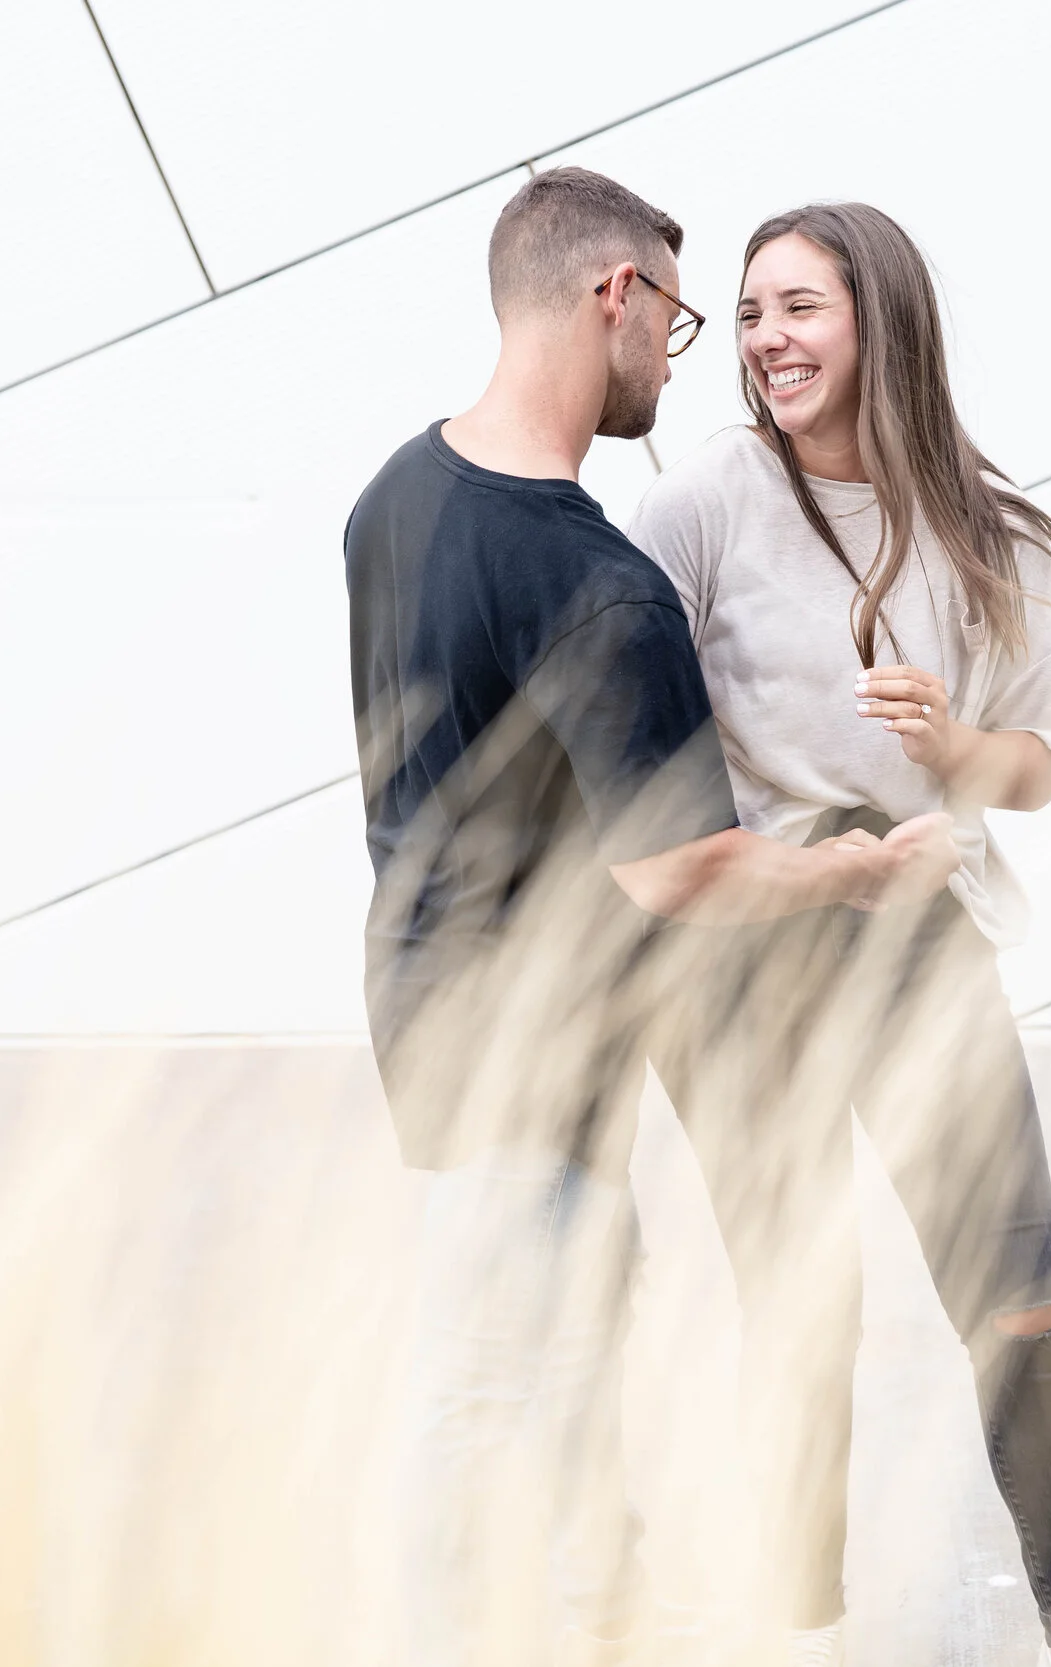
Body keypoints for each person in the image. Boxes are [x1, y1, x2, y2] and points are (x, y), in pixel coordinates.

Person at [343, 168, 959, 1666]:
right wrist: (860, 869)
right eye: (682, 319)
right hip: (534, 1061)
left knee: (558, 1378)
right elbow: (686, 871)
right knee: (487, 1393)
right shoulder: (602, 587)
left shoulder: (395, 497)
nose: (684, 360)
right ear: (614, 296)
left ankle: (599, 1627)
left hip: (425, 1008)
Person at [630, 203, 1051, 1667]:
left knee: (1024, 1303)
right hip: (751, 955)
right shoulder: (706, 502)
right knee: (800, 1308)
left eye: (801, 307)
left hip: (923, 941)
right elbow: (626, 721)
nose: (767, 339)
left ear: (881, 320)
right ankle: (803, 1633)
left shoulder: (992, 532)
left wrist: (950, 743)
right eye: (751, 313)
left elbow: (1033, 772)